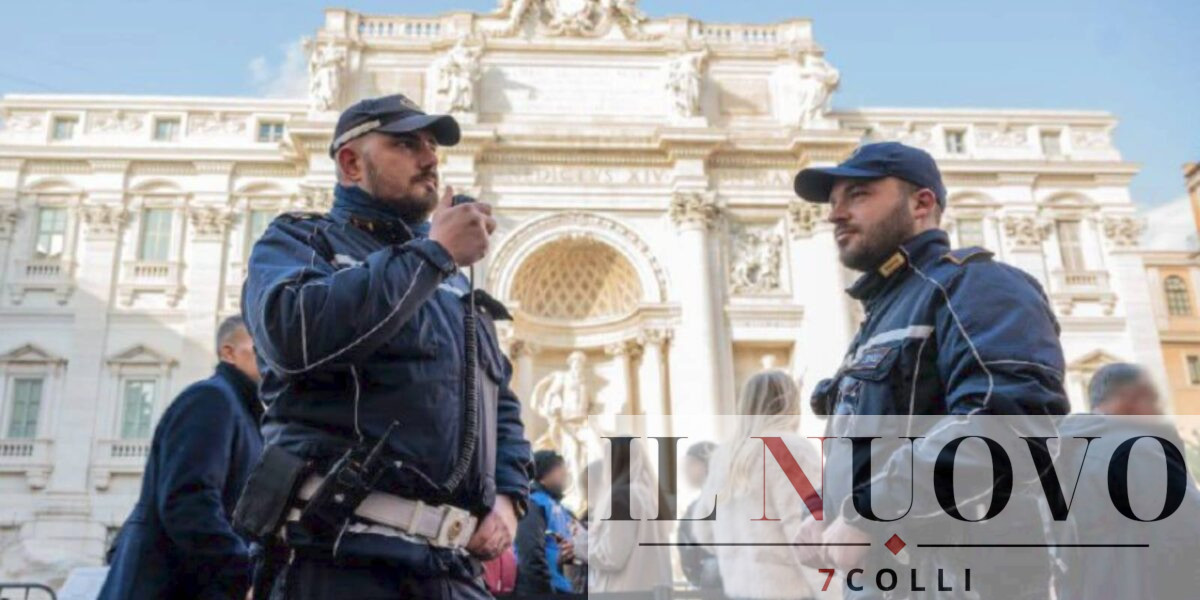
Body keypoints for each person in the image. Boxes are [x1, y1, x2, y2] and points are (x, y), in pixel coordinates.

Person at [241, 94, 532, 599]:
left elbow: (500, 405)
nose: (430, 157)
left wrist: (508, 499)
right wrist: (435, 252)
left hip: (454, 571)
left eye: (432, 145)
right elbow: (294, 338)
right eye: (406, 143)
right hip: (343, 558)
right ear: (351, 162)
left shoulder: (459, 290)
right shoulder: (302, 241)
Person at [793, 141, 1071, 598]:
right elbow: (880, 444)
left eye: (858, 195)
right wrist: (828, 510)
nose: (835, 214)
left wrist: (867, 514)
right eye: (834, 200)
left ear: (921, 203)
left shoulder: (976, 284)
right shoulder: (884, 313)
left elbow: (1007, 424)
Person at [99, 316, 264, 599]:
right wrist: (244, 574)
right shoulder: (212, 399)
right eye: (258, 349)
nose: (269, 359)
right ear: (229, 353)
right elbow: (188, 499)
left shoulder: (243, 413)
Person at [1052, 363, 1200, 598]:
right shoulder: (1133, 451)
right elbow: (1191, 530)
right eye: (1152, 399)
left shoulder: (1069, 453)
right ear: (1130, 398)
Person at [699, 372, 822, 600]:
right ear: (789, 403)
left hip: (738, 591)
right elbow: (808, 533)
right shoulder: (790, 448)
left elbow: (703, 531)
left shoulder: (723, 457)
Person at [587, 437, 672, 594]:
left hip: (626, 590)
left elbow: (612, 556)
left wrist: (582, 545)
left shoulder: (622, 496)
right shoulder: (650, 495)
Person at [514, 450, 575, 595]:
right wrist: (545, 590)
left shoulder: (561, 509)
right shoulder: (534, 504)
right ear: (544, 474)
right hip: (542, 589)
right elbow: (530, 553)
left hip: (562, 588)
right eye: (560, 469)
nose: (565, 473)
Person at [675, 441, 721, 591]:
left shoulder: (723, 502)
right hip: (703, 584)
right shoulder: (696, 505)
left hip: (718, 585)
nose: (685, 470)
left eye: (692, 463)